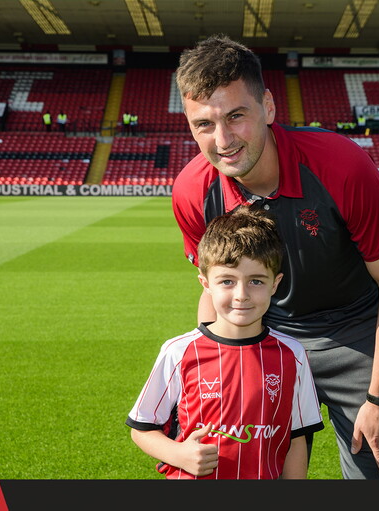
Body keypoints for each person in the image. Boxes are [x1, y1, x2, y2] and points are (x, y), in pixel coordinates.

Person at [171, 34, 379, 480]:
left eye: (236, 116)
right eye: (203, 124)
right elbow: (215, 290)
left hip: (355, 334)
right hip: (265, 336)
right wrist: (210, 374)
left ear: (268, 106)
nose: (222, 139)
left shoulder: (341, 165)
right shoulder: (192, 191)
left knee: (376, 475)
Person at [126, 205, 324, 479]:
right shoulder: (180, 351)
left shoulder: (291, 354)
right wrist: (178, 454)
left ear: (275, 284)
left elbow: (296, 438)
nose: (241, 294)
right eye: (227, 281)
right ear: (205, 283)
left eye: (256, 281)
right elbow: (143, 427)